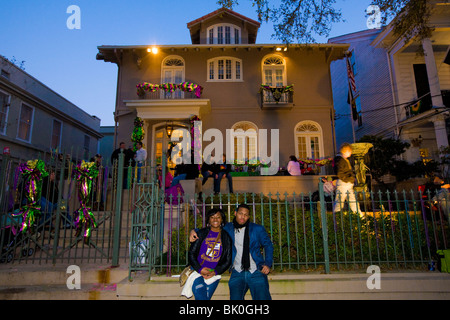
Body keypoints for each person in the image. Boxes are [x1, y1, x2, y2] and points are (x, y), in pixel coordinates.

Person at [190, 203, 274, 300]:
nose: (243, 217)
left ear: (249, 217)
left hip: (256, 272)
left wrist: (267, 263)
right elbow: (212, 228)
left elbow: (268, 245)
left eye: (246, 215)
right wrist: (194, 231)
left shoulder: (257, 229)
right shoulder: (228, 228)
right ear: (235, 213)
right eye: (240, 213)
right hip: (237, 272)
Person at [182, 208, 232, 300]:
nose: (215, 220)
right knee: (201, 295)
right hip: (197, 272)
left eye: (218, 217)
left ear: (222, 219)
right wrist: (200, 269)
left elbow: (228, 260)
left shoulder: (226, 237)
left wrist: (214, 271)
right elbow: (191, 254)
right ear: (208, 219)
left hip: (213, 274)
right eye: (212, 217)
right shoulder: (201, 233)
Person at [333, 143, 361, 216]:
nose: (351, 153)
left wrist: (350, 179)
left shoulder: (342, 159)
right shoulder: (340, 160)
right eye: (350, 151)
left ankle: (360, 216)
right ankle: (337, 218)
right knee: (340, 201)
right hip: (344, 183)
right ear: (346, 151)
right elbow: (340, 173)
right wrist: (348, 179)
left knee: (351, 201)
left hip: (346, 183)